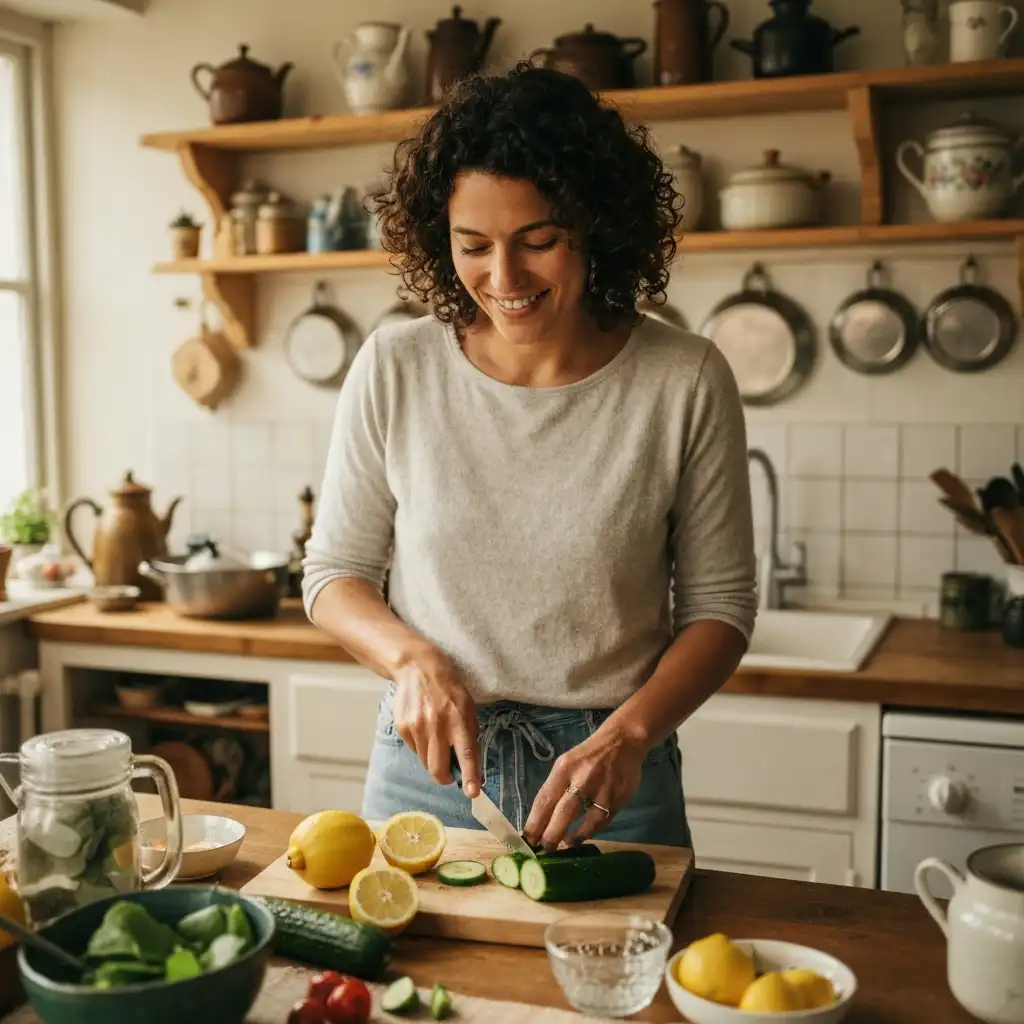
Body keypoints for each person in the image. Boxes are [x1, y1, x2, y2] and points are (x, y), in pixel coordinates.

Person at [302, 62, 757, 853]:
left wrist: (630, 734)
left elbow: (720, 608)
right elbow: (334, 573)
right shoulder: (395, 366)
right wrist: (411, 660)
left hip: (611, 773)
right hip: (428, 769)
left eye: (538, 241)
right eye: (473, 245)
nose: (504, 277)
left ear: (597, 228)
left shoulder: (684, 379)